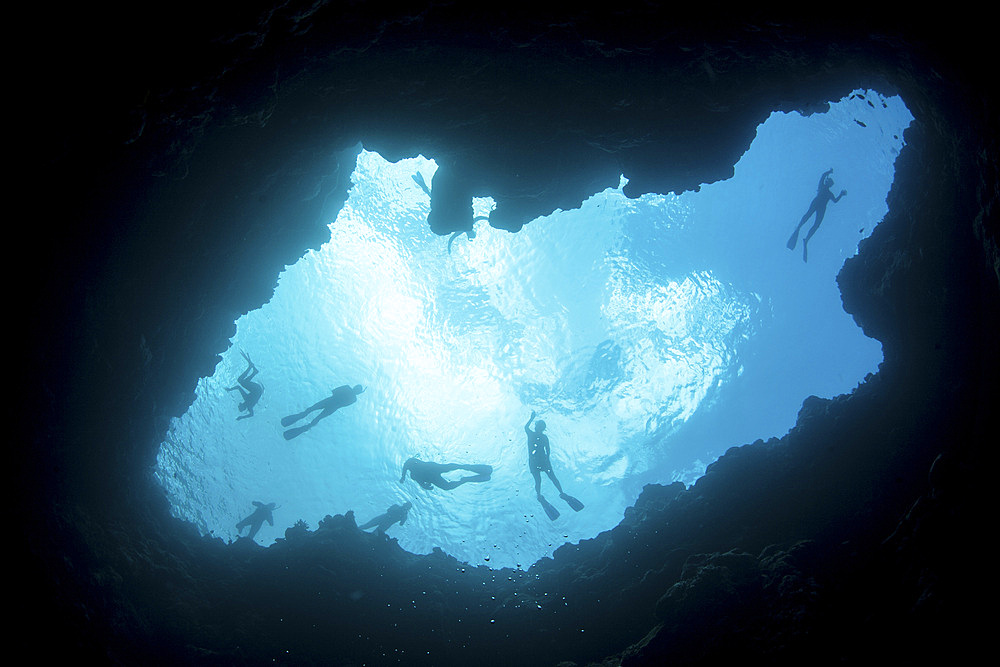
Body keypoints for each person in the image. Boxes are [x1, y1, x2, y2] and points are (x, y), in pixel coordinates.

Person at [524, 411, 584, 520]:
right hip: (539, 461)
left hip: (537, 461)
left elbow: (548, 450)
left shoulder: (537, 436)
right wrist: (531, 418)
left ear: (541, 428)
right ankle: (552, 494)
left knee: (544, 479)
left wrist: (531, 418)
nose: (539, 428)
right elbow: (548, 450)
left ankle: (549, 495)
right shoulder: (536, 435)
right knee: (543, 479)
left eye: (540, 426)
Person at [786, 168, 847, 262]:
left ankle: (805, 238)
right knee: (808, 217)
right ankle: (799, 229)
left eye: (830, 183)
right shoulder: (822, 187)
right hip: (818, 204)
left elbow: (835, 200)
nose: (829, 184)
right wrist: (829, 172)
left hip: (821, 207)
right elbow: (823, 176)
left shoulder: (826, 191)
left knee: (816, 224)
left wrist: (841, 194)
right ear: (828, 183)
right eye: (829, 182)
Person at [281, 384, 365, 440]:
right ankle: (306, 427)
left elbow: (334, 391)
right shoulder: (354, 399)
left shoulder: (347, 387)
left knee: (310, 410)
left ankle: (301, 420)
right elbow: (344, 404)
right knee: (318, 418)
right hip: (332, 408)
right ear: (358, 392)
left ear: (355, 387)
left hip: (328, 401)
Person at [399, 457, 493, 491]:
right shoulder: (415, 476)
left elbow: (407, 462)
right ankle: (465, 477)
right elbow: (422, 484)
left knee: (451, 468)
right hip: (433, 472)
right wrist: (425, 486)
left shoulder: (411, 465)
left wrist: (403, 477)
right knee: (446, 486)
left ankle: (465, 469)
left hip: (432, 468)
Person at [226, 350, 263, 420]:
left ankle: (253, 372)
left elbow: (238, 387)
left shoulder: (247, 401)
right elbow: (251, 414)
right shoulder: (248, 405)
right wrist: (242, 417)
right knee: (240, 381)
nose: (241, 403)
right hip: (257, 389)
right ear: (243, 406)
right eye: (240, 405)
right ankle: (251, 368)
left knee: (243, 381)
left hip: (257, 390)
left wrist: (230, 389)